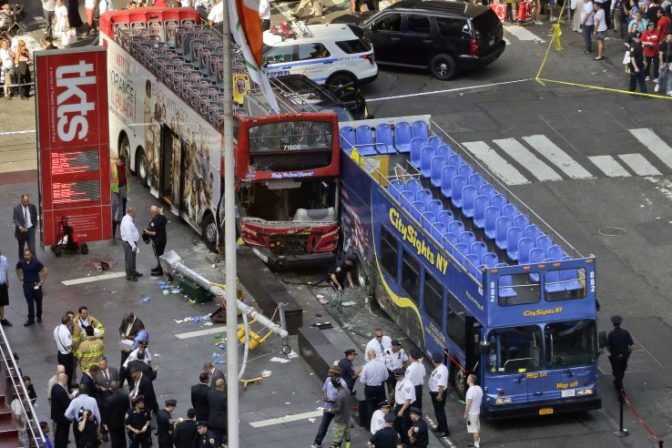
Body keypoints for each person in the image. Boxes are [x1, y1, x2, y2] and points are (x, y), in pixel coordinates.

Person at [310, 367, 346, 448]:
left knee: (337, 428)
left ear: (336, 375)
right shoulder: (328, 379)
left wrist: (330, 400)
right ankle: (317, 442)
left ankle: (337, 444)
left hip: (337, 409)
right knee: (323, 426)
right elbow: (325, 389)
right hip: (328, 407)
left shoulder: (343, 384)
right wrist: (325, 396)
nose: (329, 375)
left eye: (331, 374)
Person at [15, 249, 47, 326]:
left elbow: (45, 270)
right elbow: (17, 268)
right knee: (30, 303)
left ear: (31, 255)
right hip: (27, 285)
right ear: (23, 256)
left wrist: (41, 281)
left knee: (39, 302)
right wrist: (19, 277)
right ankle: (31, 319)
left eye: (28, 254)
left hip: (36, 285)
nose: (27, 256)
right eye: (26, 255)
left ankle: (39, 316)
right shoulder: (21, 262)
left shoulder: (36, 262)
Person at [360, 351, 389, 427]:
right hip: (380, 387)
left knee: (370, 406)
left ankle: (371, 424)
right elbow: (386, 377)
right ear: (375, 355)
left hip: (369, 388)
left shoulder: (366, 366)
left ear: (368, 357)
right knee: (382, 405)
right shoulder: (382, 365)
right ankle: (383, 422)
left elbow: (362, 380)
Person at [607, 315, 634, 392]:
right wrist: (628, 354)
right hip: (624, 356)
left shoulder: (611, 334)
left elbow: (608, 346)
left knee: (616, 371)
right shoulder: (625, 333)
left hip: (615, 357)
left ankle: (620, 387)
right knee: (622, 370)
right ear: (620, 323)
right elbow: (631, 345)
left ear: (613, 323)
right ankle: (619, 383)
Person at [94, 357, 118, 442]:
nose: (101, 366)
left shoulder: (114, 371)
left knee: (113, 416)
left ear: (106, 363)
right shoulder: (96, 373)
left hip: (113, 398)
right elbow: (94, 385)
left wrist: (115, 386)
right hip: (102, 398)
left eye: (102, 364)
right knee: (103, 417)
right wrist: (100, 388)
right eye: (100, 364)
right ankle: (104, 433)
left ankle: (113, 431)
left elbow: (118, 381)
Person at [428, 353, 449, 437]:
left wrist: (439, 395)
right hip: (436, 393)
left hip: (438, 394)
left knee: (440, 412)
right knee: (438, 411)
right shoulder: (441, 367)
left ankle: (444, 431)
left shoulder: (441, 371)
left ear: (433, 360)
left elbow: (441, 385)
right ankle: (440, 427)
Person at [392, 368, 415, 445]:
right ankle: (399, 440)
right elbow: (397, 394)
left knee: (405, 426)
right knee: (396, 424)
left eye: (397, 377)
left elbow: (408, 400)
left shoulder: (408, 385)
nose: (396, 378)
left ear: (401, 376)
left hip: (405, 407)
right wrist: (395, 405)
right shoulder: (399, 381)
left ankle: (407, 442)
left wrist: (402, 410)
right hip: (398, 405)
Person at [104, 379, 129, 448]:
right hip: (121, 421)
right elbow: (127, 408)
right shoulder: (124, 396)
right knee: (122, 438)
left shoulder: (109, 399)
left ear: (111, 388)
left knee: (114, 440)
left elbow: (107, 412)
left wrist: (105, 422)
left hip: (112, 423)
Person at [143, 205, 167, 276]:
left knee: (159, 255)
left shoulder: (154, 221)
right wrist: (161, 212)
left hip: (157, 240)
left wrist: (146, 231)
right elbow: (165, 219)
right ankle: (159, 267)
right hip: (163, 239)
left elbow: (153, 233)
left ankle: (160, 271)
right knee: (160, 255)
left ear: (152, 212)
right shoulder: (162, 217)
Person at [13, 194, 38, 261]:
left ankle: (35, 263)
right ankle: (21, 263)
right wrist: (20, 227)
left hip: (30, 231)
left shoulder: (32, 207)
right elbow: (15, 219)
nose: (27, 203)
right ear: (22, 201)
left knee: (32, 249)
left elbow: (35, 217)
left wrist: (34, 227)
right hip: (21, 232)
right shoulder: (16, 208)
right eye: (25, 201)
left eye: (28, 201)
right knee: (21, 249)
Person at [120, 206, 142, 281]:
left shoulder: (127, 218)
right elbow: (128, 235)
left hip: (131, 243)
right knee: (129, 259)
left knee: (132, 258)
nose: (136, 213)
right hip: (129, 243)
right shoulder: (127, 222)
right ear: (131, 212)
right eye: (135, 212)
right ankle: (130, 275)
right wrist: (133, 245)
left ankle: (133, 272)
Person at [54, 314, 75, 389]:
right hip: (67, 355)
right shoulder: (66, 332)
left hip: (60, 353)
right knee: (69, 372)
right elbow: (68, 345)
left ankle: (61, 386)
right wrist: (73, 341)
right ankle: (69, 388)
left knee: (62, 372)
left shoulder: (57, 328)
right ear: (69, 321)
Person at [50, 372, 71, 448]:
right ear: (65, 380)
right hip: (63, 418)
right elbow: (67, 405)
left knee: (58, 434)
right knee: (63, 437)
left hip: (57, 416)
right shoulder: (62, 392)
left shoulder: (54, 387)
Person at [329, 377, 351, 448]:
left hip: (339, 420)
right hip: (347, 418)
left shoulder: (339, 396)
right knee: (347, 436)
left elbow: (338, 409)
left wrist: (329, 410)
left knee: (337, 439)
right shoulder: (347, 391)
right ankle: (348, 447)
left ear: (334, 385)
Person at [111, 157, 129, 239]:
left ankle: (120, 219)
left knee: (122, 204)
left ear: (122, 162)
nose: (117, 162)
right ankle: (113, 219)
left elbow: (127, 176)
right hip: (115, 189)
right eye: (117, 160)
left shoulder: (124, 168)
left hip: (122, 188)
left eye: (119, 161)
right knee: (115, 204)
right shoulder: (113, 167)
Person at [464, 374, 483, 448]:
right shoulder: (479, 388)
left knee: (474, 429)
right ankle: (477, 441)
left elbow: (468, 404)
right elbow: (481, 400)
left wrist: (465, 413)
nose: (467, 379)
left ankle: (476, 445)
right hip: (477, 411)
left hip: (472, 412)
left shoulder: (470, 390)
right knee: (477, 428)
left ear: (470, 380)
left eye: (468, 378)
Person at [0, 249, 10, 326]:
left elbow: (6, 271)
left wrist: (7, 281)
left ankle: (2, 319)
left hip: (2, 284)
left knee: (2, 303)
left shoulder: (4, 260)